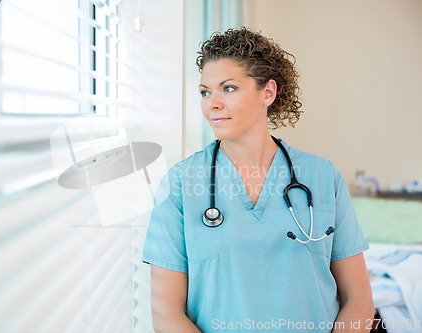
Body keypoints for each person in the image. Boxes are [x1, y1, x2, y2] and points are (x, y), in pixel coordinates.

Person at [142, 27, 374, 333]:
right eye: (204, 91)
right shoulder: (182, 184)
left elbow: (358, 299)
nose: (212, 103)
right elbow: (166, 314)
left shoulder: (322, 177)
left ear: (268, 92)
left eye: (228, 88)